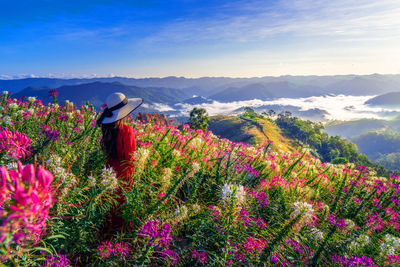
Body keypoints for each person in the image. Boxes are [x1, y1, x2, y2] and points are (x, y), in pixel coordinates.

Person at [96, 92, 143, 235]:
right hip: (124, 171)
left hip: (109, 169)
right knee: (123, 203)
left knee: (110, 201)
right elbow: (131, 157)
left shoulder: (107, 128)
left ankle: (106, 232)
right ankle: (121, 235)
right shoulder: (127, 130)